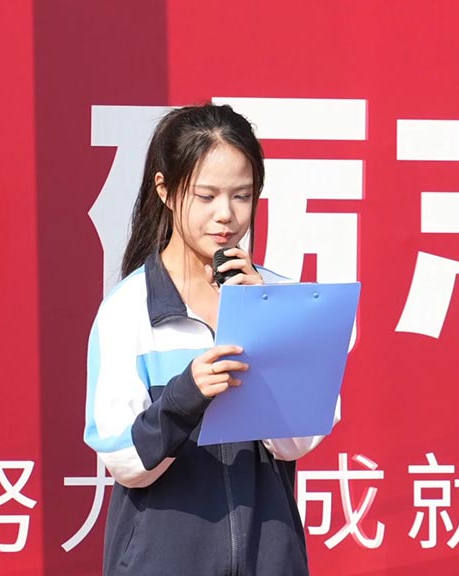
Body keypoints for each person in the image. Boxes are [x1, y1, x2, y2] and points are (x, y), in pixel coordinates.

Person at [84, 104, 334, 575]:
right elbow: (123, 460)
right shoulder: (128, 309)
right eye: (206, 196)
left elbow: (299, 441)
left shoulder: (281, 298)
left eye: (242, 196)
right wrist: (185, 397)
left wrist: (267, 324)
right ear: (165, 190)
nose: (226, 215)